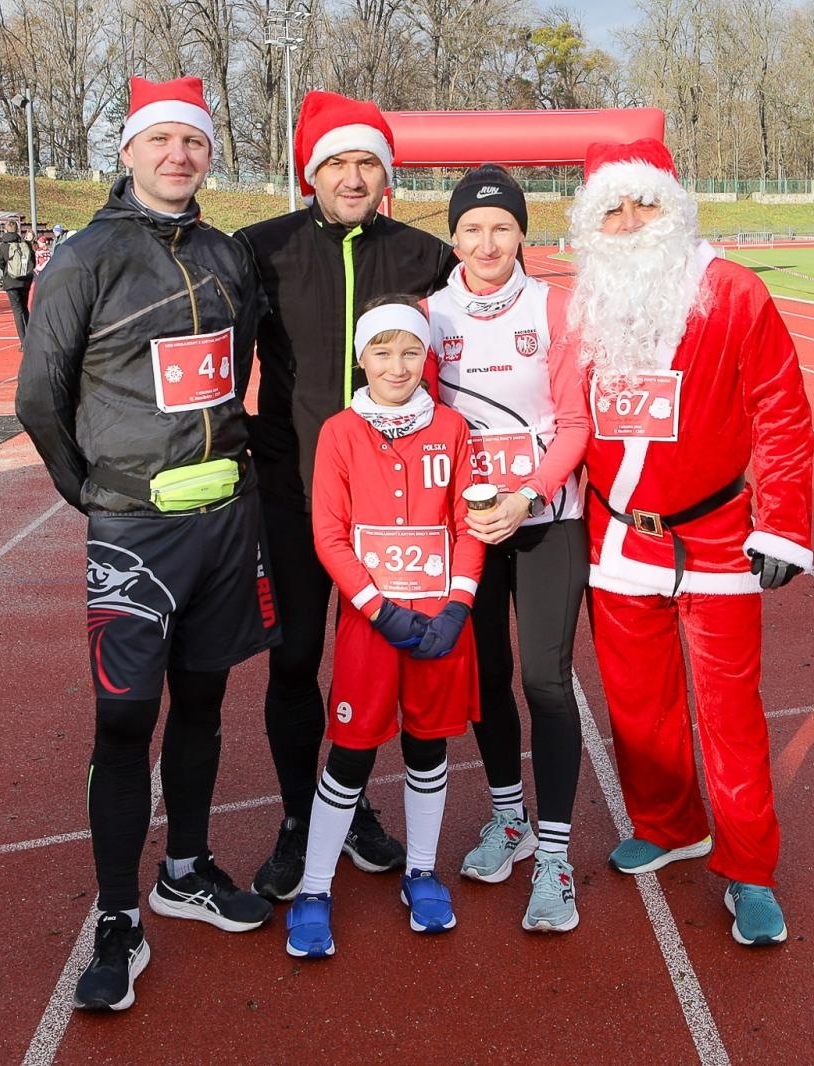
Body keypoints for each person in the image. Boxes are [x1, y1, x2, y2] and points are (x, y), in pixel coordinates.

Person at [16, 74, 278, 1013]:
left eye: (194, 142)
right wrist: (88, 492)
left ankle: (187, 869)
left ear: (209, 154)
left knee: (204, 706)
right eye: (160, 140)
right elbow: (38, 398)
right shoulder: (85, 256)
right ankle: (119, 915)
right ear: (127, 152)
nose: (179, 155)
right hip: (134, 528)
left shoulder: (225, 253)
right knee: (125, 719)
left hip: (224, 523)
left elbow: (236, 365)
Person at [565, 139, 813, 947]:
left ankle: (748, 870)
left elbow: (780, 409)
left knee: (731, 717)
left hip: (717, 537)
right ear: (591, 224)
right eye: (612, 208)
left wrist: (780, 520)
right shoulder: (583, 302)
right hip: (616, 537)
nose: (631, 222)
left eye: (645, 204)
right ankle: (668, 823)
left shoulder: (734, 292)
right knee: (637, 706)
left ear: (675, 207)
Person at [235, 90, 455, 902]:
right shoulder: (262, 249)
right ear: (310, 173)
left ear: (385, 174)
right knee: (295, 659)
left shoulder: (426, 254)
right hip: (295, 494)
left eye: (368, 162)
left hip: (398, 511)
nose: (353, 176)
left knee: (381, 663)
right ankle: (301, 818)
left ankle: (354, 809)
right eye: (337, 162)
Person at [285, 296, 483, 959]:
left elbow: (470, 521)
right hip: (371, 629)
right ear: (360, 357)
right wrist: (379, 608)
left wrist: (458, 606)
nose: (396, 366)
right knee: (350, 754)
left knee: (428, 750)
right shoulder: (341, 431)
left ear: (425, 357)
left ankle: (421, 873)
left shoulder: (453, 428)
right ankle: (315, 889)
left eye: (409, 352)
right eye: (381, 351)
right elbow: (328, 535)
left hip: (440, 627)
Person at [423, 164, 592, 931]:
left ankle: (554, 855)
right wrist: (465, 507)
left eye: (500, 227)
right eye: (471, 229)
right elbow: (423, 419)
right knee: (486, 676)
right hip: (471, 523)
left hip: (549, 516)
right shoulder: (430, 315)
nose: (486, 242)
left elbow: (576, 424)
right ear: (452, 237)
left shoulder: (556, 306)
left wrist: (528, 494)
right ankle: (509, 819)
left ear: (522, 232)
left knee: (546, 681)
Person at [0, 220, 36, 339]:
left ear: (6, 230)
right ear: (17, 230)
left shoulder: (3, 246)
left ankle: (23, 341)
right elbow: (32, 260)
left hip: (11, 281)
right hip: (25, 280)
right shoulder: (25, 244)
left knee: (17, 311)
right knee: (25, 309)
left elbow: (0, 263)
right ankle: (31, 338)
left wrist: (8, 271)